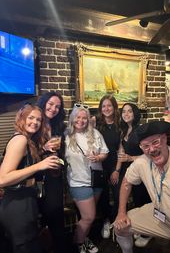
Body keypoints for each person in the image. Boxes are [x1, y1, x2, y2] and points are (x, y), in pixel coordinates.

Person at [113, 120, 170, 253]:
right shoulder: (142, 162)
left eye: (155, 142)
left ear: (165, 139)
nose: (152, 149)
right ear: (141, 148)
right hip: (160, 218)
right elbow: (127, 182)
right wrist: (121, 212)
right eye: (145, 146)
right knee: (120, 226)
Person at [0, 104, 60, 253]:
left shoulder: (27, 140)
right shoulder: (20, 139)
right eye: (31, 117)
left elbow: (23, 162)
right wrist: (40, 165)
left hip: (24, 200)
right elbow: (3, 178)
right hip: (17, 204)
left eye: (38, 120)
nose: (35, 122)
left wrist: (42, 150)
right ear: (21, 118)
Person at [65, 104, 109, 253]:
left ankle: (84, 238)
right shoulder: (65, 136)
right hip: (78, 182)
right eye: (78, 117)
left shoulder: (95, 133)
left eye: (84, 118)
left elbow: (105, 152)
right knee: (89, 217)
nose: (81, 120)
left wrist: (98, 157)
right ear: (72, 119)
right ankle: (78, 243)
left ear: (88, 119)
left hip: (96, 180)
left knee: (88, 215)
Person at [115, 103, 151, 247]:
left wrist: (129, 158)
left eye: (130, 111)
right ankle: (140, 226)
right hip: (128, 169)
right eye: (124, 111)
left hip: (141, 170)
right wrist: (117, 169)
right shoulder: (124, 130)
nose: (126, 114)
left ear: (135, 113)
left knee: (142, 200)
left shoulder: (141, 130)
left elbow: (148, 155)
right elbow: (121, 151)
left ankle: (147, 233)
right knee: (132, 201)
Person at [36, 92, 67, 253]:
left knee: (56, 213)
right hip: (37, 178)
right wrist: (43, 148)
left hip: (54, 175)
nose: (53, 108)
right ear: (43, 102)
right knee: (41, 215)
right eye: (51, 104)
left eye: (57, 106)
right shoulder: (34, 124)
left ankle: (58, 246)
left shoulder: (57, 126)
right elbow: (27, 154)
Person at [93, 94, 121, 239]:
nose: (106, 108)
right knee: (103, 196)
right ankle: (106, 221)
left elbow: (121, 150)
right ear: (100, 108)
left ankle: (117, 222)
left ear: (114, 107)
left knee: (118, 195)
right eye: (103, 106)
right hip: (99, 165)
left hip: (115, 165)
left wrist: (116, 170)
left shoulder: (120, 125)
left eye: (109, 105)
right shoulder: (96, 123)